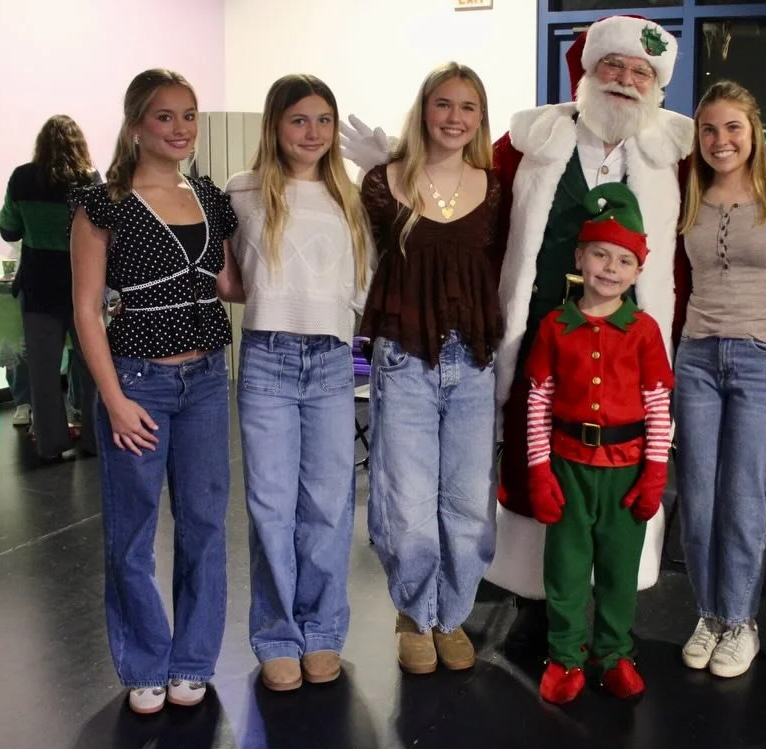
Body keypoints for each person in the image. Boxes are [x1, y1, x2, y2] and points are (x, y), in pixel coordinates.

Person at [70, 69, 242, 714]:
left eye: (189, 115)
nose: (180, 128)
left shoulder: (209, 197)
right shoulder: (104, 203)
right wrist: (114, 399)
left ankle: (192, 659)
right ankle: (145, 661)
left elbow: (232, 285)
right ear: (136, 124)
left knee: (204, 524)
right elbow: (87, 310)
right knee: (133, 530)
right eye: (164, 116)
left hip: (206, 380)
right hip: (137, 381)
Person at [226, 74, 374, 691]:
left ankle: (322, 631)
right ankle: (277, 635)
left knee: (329, 504)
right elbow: (227, 275)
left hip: (333, 360)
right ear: (275, 125)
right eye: (299, 120)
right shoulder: (242, 191)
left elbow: (365, 281)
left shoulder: (352, 197)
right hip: (267, 357)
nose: (312, 133)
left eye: (323, 120)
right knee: (270, 505)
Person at [358, 62, 501, 675]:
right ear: (424, 110)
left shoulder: (494, 189)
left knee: (469, 505)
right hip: (404, 359)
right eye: (444, 104)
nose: (454, 118)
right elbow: (362, 261)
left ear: (479, 118)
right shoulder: (382, 183)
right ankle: (416, 614)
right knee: (407, 502)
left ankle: (453, 614)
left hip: (473, 363)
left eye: (467, 107)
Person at [673, 81, 766, 678]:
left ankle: (740, 619)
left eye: (732, 127)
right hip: (697, 357)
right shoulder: (687, 194)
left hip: (765, 358)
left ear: (754, 131)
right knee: (698, 495)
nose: (720, 140)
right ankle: (709, 614)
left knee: (744, 498)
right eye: (708, 129)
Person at [525, 184, 672, 703]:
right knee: (564, 569)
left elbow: (658, 404)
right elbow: (539, 400)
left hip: (626, 471)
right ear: (579, 258)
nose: (611, 268)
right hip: (567, 466)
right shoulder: (554, 326)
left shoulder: (644, 331)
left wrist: (655, 473)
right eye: (600, 255)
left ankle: (613, 654)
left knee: (618, 570)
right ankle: (565, 657)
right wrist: (539, 471)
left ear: (638, 271)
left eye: (624, 260)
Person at [0, 115, 100, 460]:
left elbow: (8, 229)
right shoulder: (89, 180)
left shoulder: (22, 178)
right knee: (92, 366)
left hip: (38, 286)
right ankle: (94, 440)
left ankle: (51, 443)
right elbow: (104, 229)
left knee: (42, 370)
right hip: (83, 285)